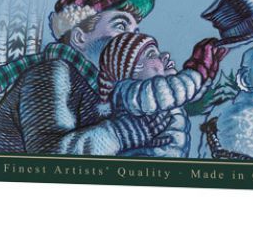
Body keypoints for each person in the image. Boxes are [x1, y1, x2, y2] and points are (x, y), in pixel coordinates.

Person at [0, 0, 178, 155]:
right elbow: (52, 155)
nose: (133, 39)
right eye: (120, 26)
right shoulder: (52, 74)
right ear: (79, 38)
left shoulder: (104, 86)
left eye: (135, 32)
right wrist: (126, 132)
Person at [97, 32, 227, 158]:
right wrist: (197, 71)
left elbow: (184, 96)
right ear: (130, 71)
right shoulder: (128, 93)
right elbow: (173, 90)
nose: (165, 55)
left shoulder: (162, 99)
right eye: (151, 54)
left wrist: (205, 73)